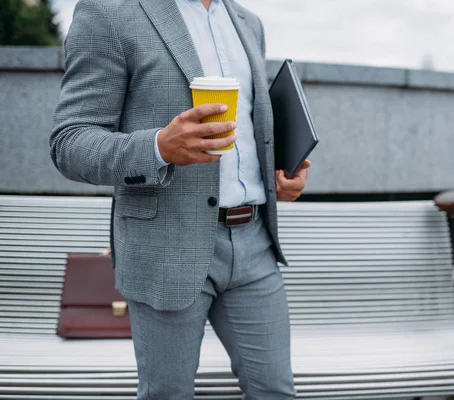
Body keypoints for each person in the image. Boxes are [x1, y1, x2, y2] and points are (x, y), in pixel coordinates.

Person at [49, 0, 310, 398]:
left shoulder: (247, 23)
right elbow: (70, 142)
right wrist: (158, 147)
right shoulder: (109, 13)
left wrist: (277, 179)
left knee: (277, 391)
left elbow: (245, 132)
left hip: (255, 243)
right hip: (165, 247)